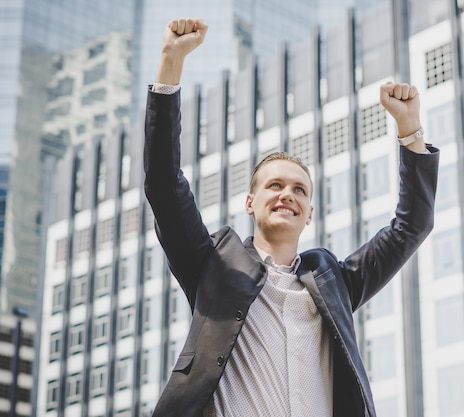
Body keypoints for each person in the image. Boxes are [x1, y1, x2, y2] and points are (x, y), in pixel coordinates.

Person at [144, 17, 439, 417]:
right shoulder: (212, 263)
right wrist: (170, 63)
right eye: (275, 186)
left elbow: (411, 227)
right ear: (250, 203)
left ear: (310, 213)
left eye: (300, 189)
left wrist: (410, 129)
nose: (288, 194)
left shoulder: (334, 281)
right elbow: (164, 183)